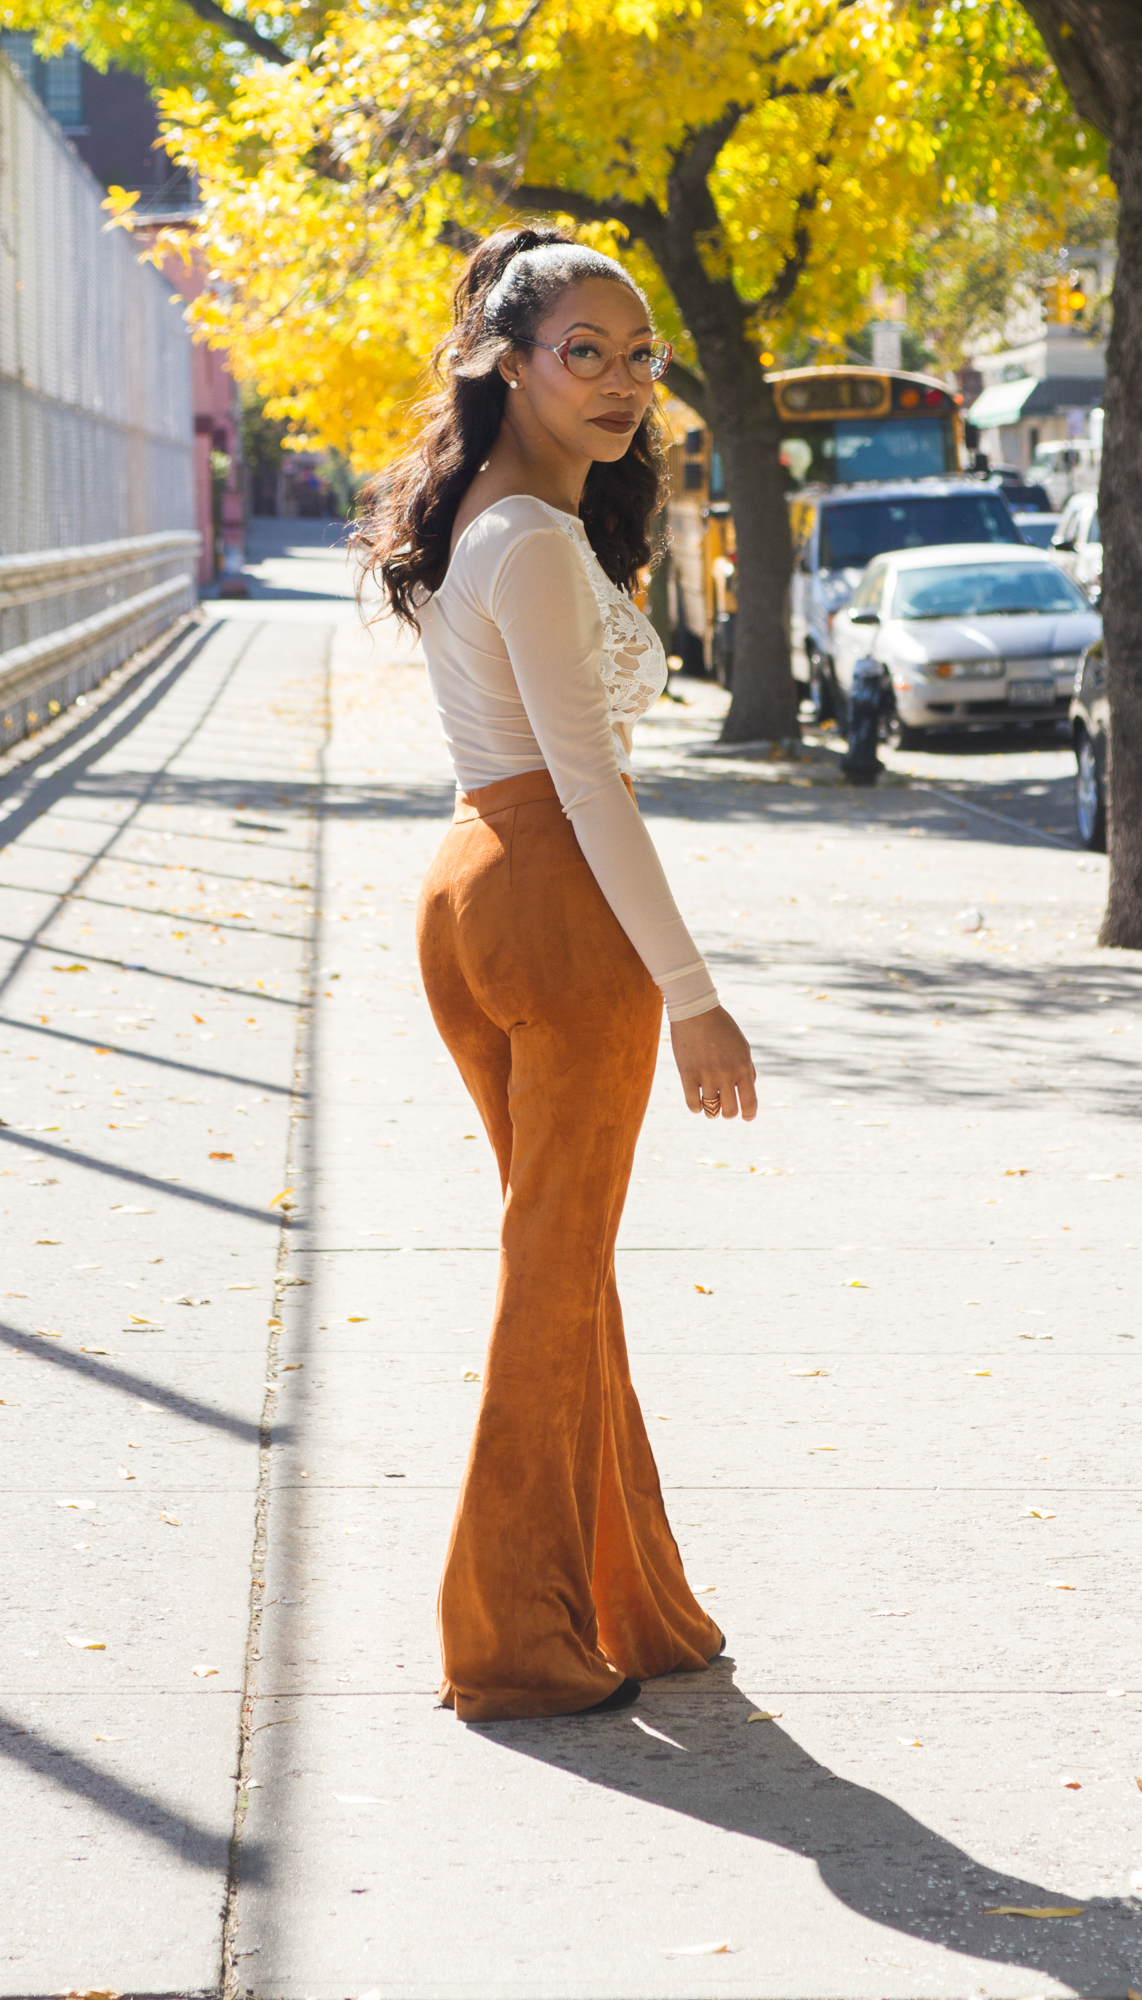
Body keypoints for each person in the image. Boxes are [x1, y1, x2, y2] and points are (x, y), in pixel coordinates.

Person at [358, 224, 757, 1723]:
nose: (617, 382)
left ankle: (629, 1600)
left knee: (567, 1273)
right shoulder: (526, 537)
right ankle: (510, 1636)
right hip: (553, 906)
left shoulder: (500, 518)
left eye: (638, 356)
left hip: (477, 884)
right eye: (580, 353)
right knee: (551, 1282)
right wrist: (695, 991)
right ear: (509, 365)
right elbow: (589, 786)